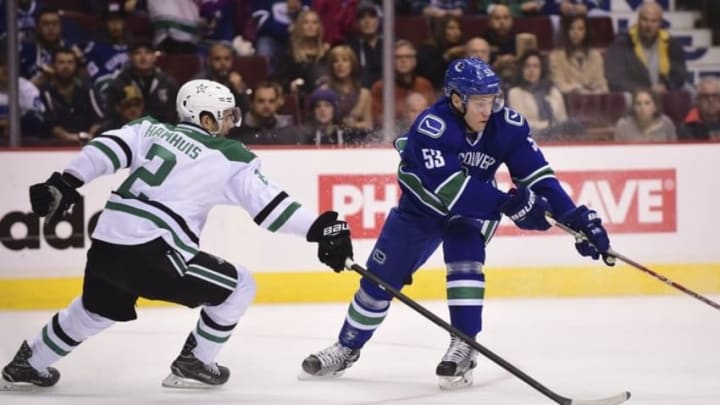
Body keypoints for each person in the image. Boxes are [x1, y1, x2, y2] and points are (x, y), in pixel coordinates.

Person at [0, 79, 353, 390]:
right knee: (240, 286)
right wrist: (322, 228)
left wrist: (67, 180)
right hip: (155, 253)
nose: (231, 122)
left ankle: (27, 364)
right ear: (204, 119)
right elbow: (273, 209)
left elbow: (104, 149)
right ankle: (196, 362)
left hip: (107, 244)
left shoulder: (149, 129)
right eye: (224, 115)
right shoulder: (229, 155)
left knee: (95, 311)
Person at [300, 58, 614, 389]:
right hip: (421, 210)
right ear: (455, 99)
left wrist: (575, 219)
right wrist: (508, 204)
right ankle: (347, 346)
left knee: (464, 257)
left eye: (491, 100)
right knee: (379, 281)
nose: (487, 110)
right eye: (479, 102)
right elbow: (451, 190)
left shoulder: (506, 125)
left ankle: (464, 343)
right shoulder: (431, 126)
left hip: (473, 210)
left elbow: (540, 178)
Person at [604, 1, 687, 94]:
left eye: (654, 21)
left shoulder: (671, 44)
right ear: (638, 20)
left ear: (660, 23)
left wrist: (666, 86)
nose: (649, 25)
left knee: (689, 90)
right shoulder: (622, 43)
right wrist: (644, 90)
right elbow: (615, 79)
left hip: (664, 94)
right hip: (633, 95)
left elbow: (680, 74)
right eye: (645, 20)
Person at [678, 76, 720, 140]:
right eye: (705, 96)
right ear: (698, 100)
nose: (711, 100)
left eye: (715, 95)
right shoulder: (687, 127)